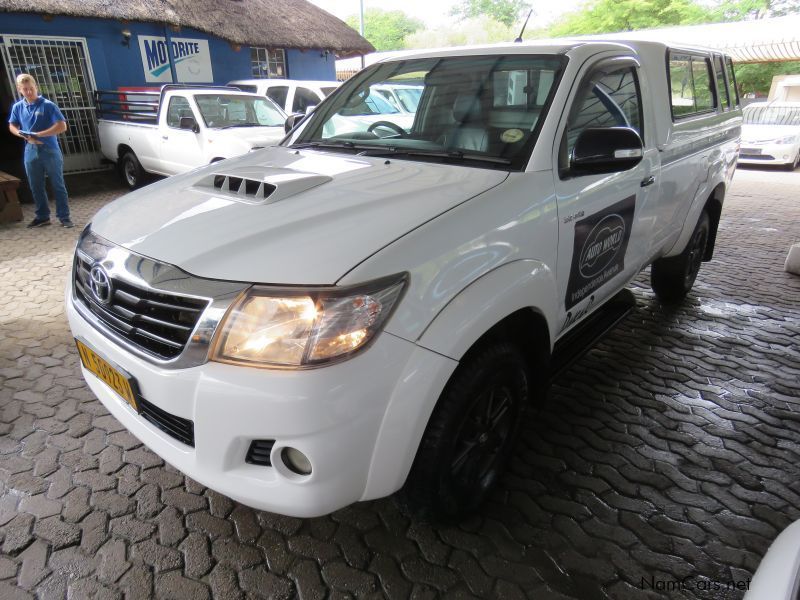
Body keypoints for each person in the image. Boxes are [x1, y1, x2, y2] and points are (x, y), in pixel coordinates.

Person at [7, 73, 73, 228]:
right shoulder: (18, 107)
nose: (29, 92)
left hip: (49, 149)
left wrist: (40, 135)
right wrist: (21, 134)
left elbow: (62, 126)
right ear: (19, 90)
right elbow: (12, 125)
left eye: (31, 88)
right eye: (25, 89)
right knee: (35, 185)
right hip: (30, 150)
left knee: (58, 184)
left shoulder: (47, 105)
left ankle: (64, 217)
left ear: (36, 87)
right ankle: (42, 216)